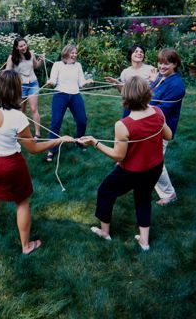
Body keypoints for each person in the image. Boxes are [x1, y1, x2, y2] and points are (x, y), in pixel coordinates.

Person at [0, 70, 75, 255]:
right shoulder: (18, 118)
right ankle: (26, 246)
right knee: (22, 201)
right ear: (16, 91)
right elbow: (33, 149)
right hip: (10, 164)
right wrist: (58, 140)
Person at [79, 76, 172, 251]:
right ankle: (144, 242)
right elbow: (169, 136)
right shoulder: (158, 112)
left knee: (105, 191)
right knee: (143, 198)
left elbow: (118, 157)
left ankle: (105, 232)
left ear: (126, 97)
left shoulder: (123, 125)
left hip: (133, 171)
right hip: (155, 167)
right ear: (147, 94)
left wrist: (94, 142)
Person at [149, 48, 186, 205]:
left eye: (166, 64)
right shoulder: (161, 78)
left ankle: (169, 194)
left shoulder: (177, 85)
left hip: (161, 129)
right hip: (151, 126)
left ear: (175, 64)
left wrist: (140, 105)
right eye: (160, 63)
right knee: (147, 158)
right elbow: (151, 95)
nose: (162, 67)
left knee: (154, 161)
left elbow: (160, 111)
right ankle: (142, 180)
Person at [45, 44, 93, 162]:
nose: (74, 55)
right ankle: (52, 149)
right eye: (72, 53)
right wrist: (50, 83)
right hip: (60, 95)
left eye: (75, 53)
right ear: (66, 53)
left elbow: (81, 83)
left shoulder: (78, 66)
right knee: (56, 122)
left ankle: (79, 141)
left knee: (82, 120)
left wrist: (87, 82)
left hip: (75, 95)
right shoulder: (57, 65)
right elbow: (53, 81)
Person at [5, 36, 44, 139]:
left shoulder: (31, 54)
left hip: (33, 84)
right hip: (20, 86)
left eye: (24, 45)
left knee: (33, 108)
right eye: (20, 46)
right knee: (21, 110)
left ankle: (37, 133)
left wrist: (41, 61)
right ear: (16, 47)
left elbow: (35, 66)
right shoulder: (12, 58)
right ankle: (22, 131)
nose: (23, 47)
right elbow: (7, 72)